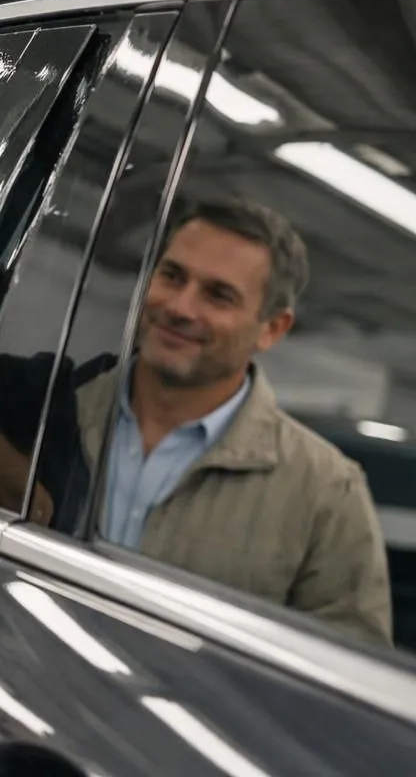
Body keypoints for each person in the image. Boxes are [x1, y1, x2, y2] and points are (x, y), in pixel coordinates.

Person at [75, 197, 390, 642]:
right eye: (172, 276)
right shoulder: (55, 412)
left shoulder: (326, 493)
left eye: (218, 295)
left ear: (272, 329)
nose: (181, 307)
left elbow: (345, 685)